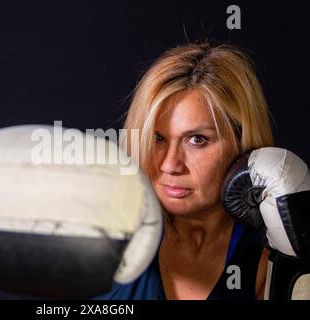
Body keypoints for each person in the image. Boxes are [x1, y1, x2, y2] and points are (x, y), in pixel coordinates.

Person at [96, 41, 275, 300]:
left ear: (242, 142)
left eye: (197, 140)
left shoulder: (272, 258)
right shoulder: (108, 241)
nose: (170, 164)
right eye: (157, 138)